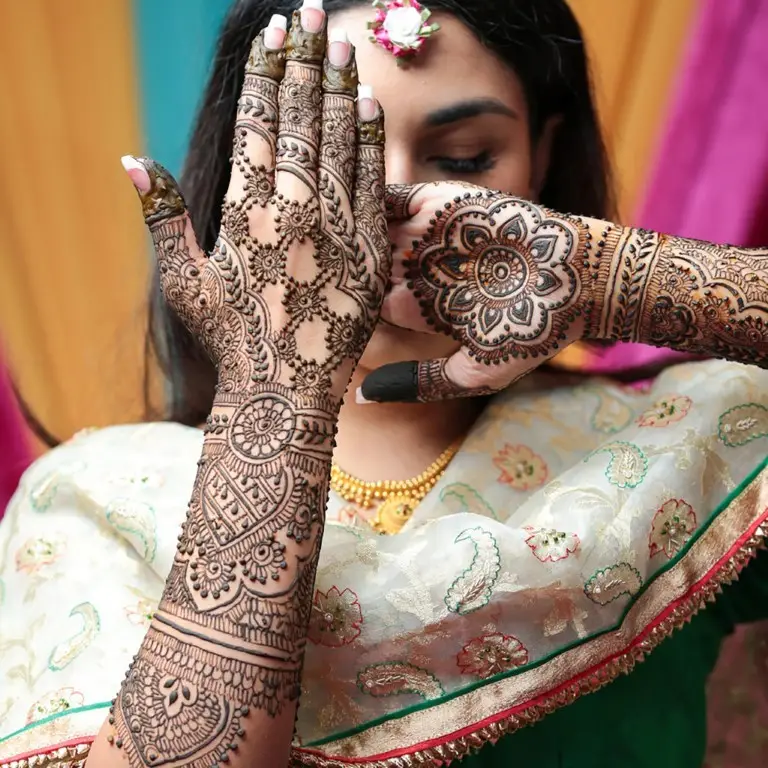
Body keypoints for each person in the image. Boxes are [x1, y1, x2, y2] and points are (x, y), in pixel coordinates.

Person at [1, 1, 767, 767]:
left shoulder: (682, 443)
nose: (387, 217)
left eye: (465, 159)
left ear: (542, 158)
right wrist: (278, 394)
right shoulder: (99, 503)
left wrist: (621, 277)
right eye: (328, 164)